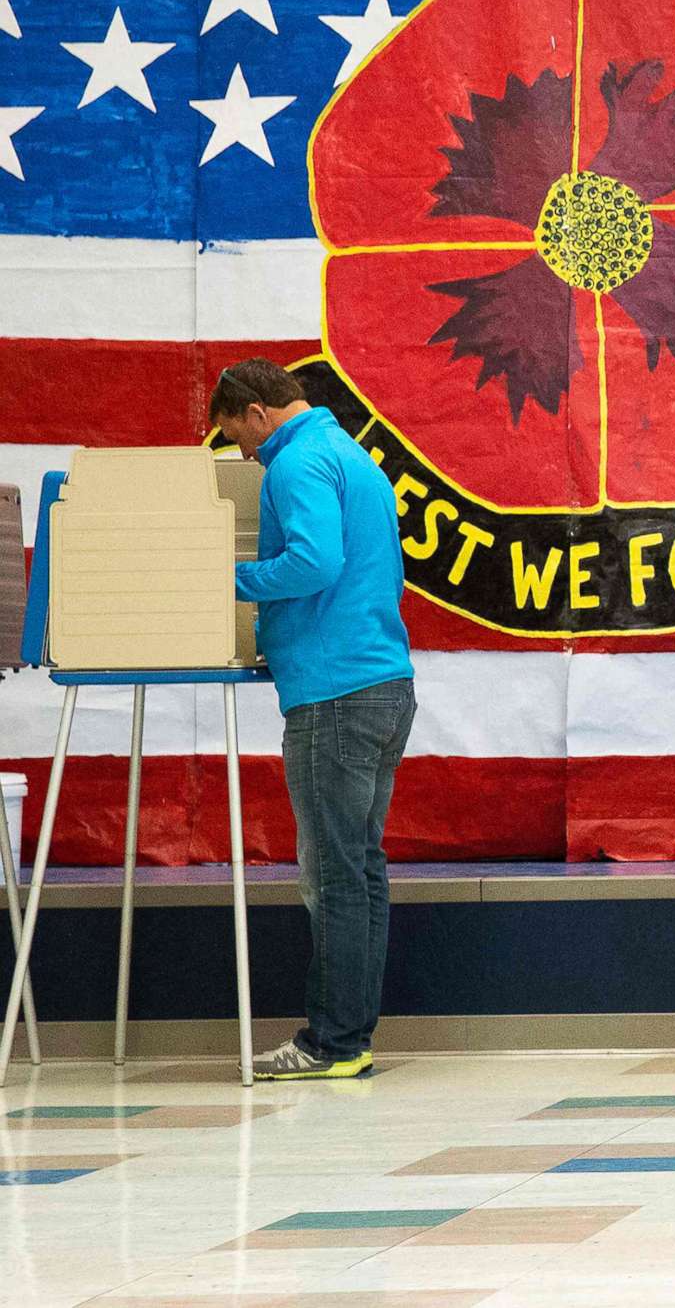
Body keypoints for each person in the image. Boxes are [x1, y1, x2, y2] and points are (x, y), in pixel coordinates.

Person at [211, 360, 416, 1082]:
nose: (247, 454)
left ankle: (330, 1042)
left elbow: (313, 562)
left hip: (333, 695)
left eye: (240, 438)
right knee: (358, 872)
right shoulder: (351, 456)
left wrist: (217, 577)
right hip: (383, 683)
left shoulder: (295, 462)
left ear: (258, 412)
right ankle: (351, 1038)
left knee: (332, 876)